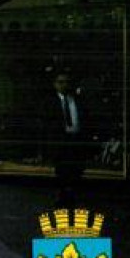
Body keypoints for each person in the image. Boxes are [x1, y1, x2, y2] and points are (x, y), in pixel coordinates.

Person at [43, 71, 84, 207]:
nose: (64, 85)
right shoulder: (50, 102)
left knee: (75, 169)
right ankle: (62, 196)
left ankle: (71, 195)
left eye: (66, 82)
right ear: (55, 84)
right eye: (61, 82)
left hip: (75, 138)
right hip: (60, 139)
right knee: (61, 170)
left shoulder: (76, 100)